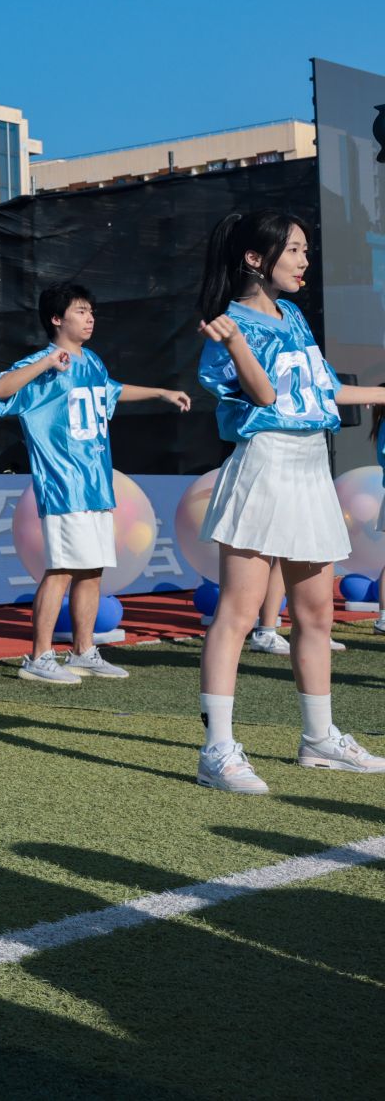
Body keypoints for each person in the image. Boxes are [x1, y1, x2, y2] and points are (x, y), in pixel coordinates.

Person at [192, 211, 385, 792]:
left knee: (316, 614)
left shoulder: (294, 316)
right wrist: (236, 342)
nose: (305, 260)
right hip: (265, 463)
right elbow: (263, 395)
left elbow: (324, 389)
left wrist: (381, 392)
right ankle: (217, 751)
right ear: (255, 258)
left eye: (305, 249)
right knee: (238, 613)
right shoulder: (228, 323)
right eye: (295, 249)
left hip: (310, 467)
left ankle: (319, 739)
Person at [0, 283, 191, 684]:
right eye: (80, 311)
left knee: (92, 570)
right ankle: (39, 657)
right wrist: (46, 363)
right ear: (56, 319)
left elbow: (112, 390)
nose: (90, 318)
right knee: (61, 569)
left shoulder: (93, 361)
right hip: (64, 484)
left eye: (91, 311)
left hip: (96, 483)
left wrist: (161, 393)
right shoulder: (44, 362)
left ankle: (83, 651)